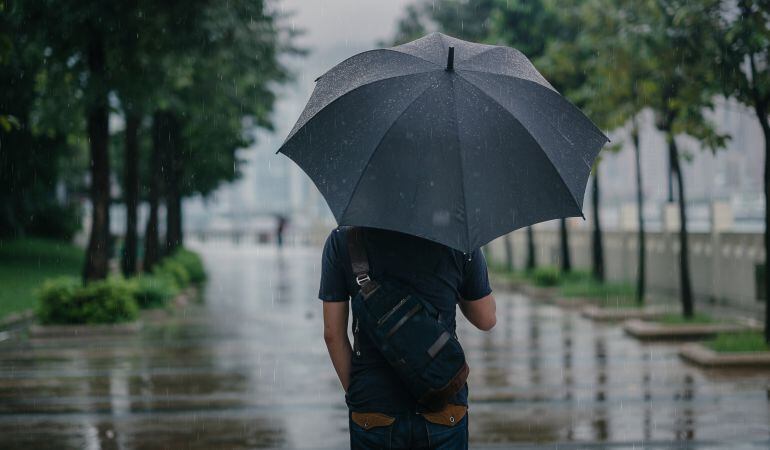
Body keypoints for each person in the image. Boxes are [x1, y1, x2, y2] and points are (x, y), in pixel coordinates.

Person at [319, 226, 496, 449]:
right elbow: (486, 318)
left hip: (373, 407)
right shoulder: (459, 237)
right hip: (442, 400)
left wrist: (359, 395)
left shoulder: (345, 238)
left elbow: (332, 335)